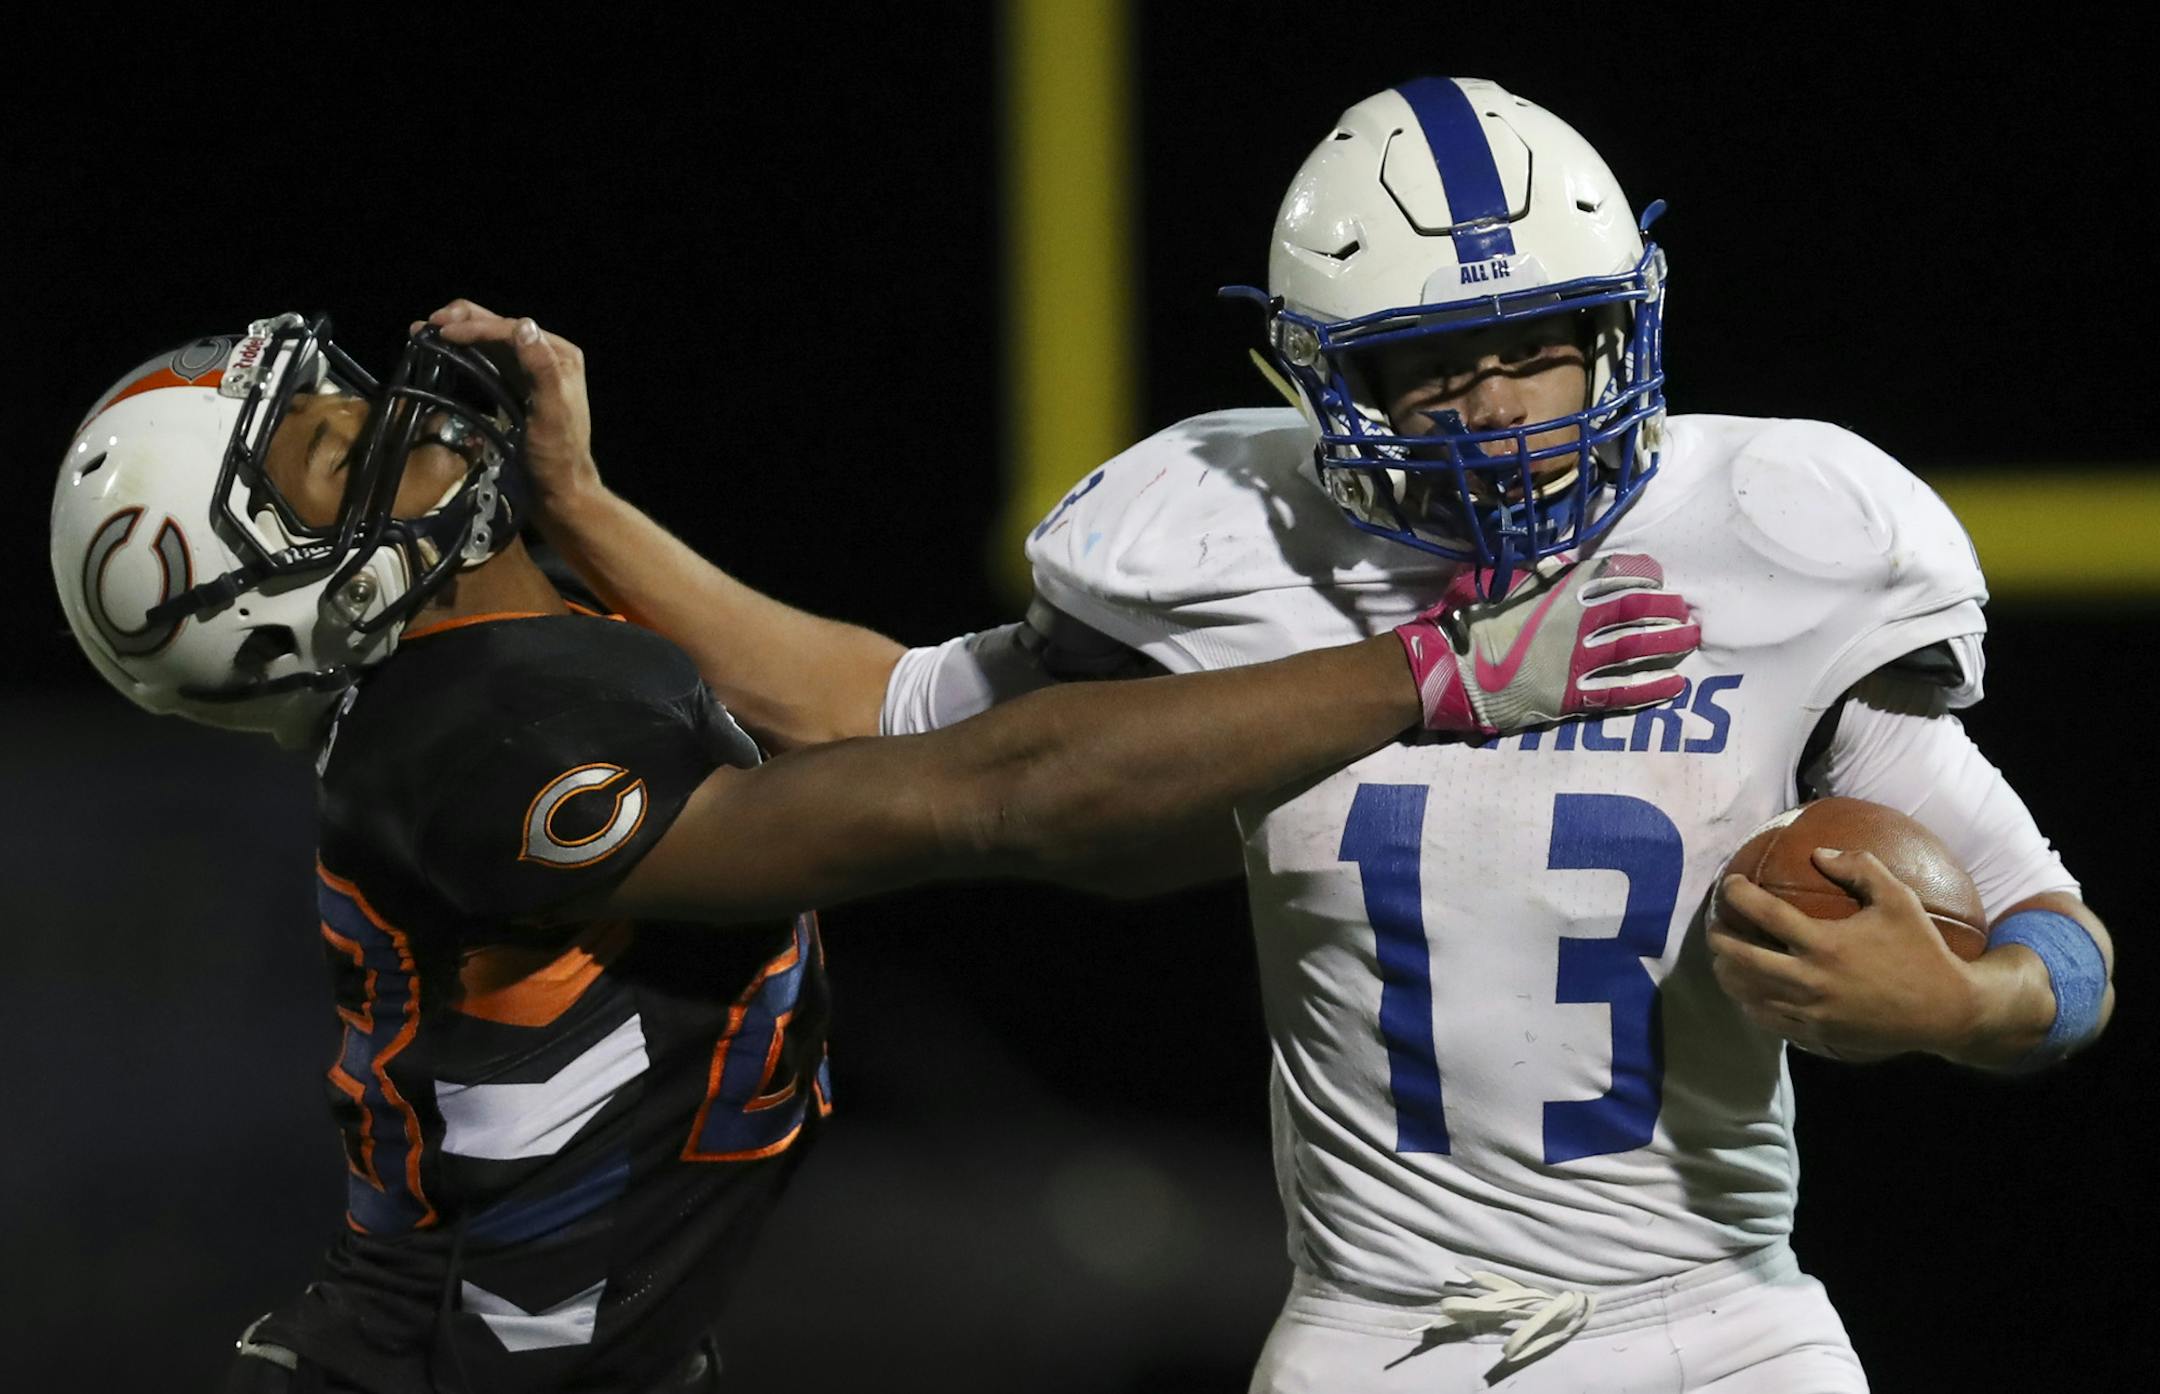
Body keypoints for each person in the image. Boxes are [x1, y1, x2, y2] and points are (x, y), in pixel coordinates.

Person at [481, 75, 2116, 1392]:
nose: (1498, 405)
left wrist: (1965, 998)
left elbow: (2063, 942)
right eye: (1433, 366)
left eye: (1538, 344)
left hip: (1718, 1321)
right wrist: (584, 509)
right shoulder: (1244, 546)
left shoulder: (1773, 539)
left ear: (1622, 329)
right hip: (1380, 1334)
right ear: (1329, 377)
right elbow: (878, 708)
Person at [48, 311, 1698, 1392]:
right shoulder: (461, 742)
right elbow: (982, 795)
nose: (381, 410)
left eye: (340, 388)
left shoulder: (515, 640)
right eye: (329, 447)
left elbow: (867, 701)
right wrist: (1429, 675)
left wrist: (588, 500)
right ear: (267, 603)